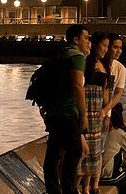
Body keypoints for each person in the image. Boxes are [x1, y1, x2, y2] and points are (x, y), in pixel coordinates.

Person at [43, 24, 90, 194]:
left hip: (54, 112)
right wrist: (83, 113)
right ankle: (69, 190)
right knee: (75, 151)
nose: (88, 42)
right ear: (76, 39)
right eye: (86, 38)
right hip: (68, 112)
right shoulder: (77, 56)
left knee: (54, 153)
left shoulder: (60, 54)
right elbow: (77, 86)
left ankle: (53, 190)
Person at [78, 32, 112, 194]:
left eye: (107, 46)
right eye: (103, 45)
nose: (106, 49)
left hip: (98, 111)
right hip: (86, 108)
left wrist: (106, 113)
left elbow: (106, 92)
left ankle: (90, 186)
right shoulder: (86, 62)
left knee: (95, 150)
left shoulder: (106, 65)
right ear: (95, 44)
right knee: (84, 150)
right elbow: (80, 87)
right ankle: (82, 187)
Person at [108, 33, 126, 104]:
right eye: (115, 47)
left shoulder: (121, 68)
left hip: (106, 111)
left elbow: (118, 93)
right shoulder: (97, 64)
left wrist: (105, 110)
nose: (119, 51)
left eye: (120, 48)